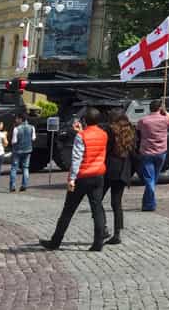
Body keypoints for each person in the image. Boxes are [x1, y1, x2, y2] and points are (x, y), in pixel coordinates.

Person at [41, 107, 109, 252]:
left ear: (85, 121)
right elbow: (93, 144)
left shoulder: (82, 136)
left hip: (82, 176)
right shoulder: (103, 134)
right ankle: (98, 242)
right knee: (97, 209)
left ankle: (55, 241)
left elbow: (77, 158)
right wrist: (81, 132)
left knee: (68, 210)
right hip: (98, 174)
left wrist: (72, 178)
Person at [102, 110, 137, 246]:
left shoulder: (110, 131)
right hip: (123, 170)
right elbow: (133, 152)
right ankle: (117, 233)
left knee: (97, 199)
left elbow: (106, 149)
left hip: (110, 168)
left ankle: (103, 226)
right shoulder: (131, 131)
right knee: (116, 203)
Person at [136, 99, 169, 211]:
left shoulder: (144, 120)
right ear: (160, 108)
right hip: (161, 153)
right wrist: (168, 116)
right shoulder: (165, 119)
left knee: (149, 179)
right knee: (153, 179)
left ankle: (149, 204)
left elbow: (137, 128)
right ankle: (147, 204)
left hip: (147, 153)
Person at [8, 114, 35, 193]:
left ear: (20, 119)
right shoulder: (32, 127)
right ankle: (24, 185)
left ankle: (12, 186)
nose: (16, 120)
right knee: (25, 168)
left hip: (17, 151)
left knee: (14, 168)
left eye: (17, 119)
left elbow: (14, 141)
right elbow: (33, 138)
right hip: (28, 150)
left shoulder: (16, 128)